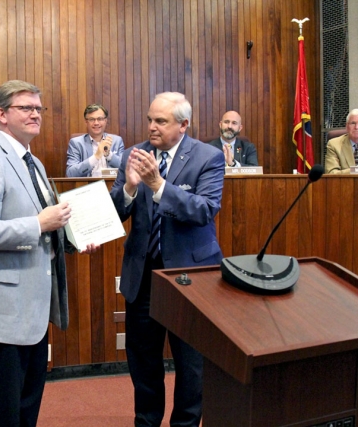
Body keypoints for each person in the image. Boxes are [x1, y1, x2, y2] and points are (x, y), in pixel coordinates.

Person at [0, 80, 98, 426]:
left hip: (32, 308)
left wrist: (74, 237)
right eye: (26, 108)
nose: (35, 114)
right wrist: (38, 223)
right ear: (1, 114)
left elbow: (47, 227)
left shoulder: (31, 161)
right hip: (3, 310)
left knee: (26, 406)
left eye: (38, 108)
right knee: (4, 412)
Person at [110, 92, 225, 426]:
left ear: (183, 124)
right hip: (143, 276)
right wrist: (130, 188)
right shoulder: (134, 154)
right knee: (143, 362)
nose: (152, 127)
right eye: (150, 119)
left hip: (190, 277)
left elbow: (204, 210)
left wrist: (159, 185)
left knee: (191, 366)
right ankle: (146, 422)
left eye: (160, 121)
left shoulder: (208, 157)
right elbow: (115, 212)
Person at [66, 103, 125, 177]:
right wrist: (96, 156)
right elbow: (70, 174)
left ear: (105, 121)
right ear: (86, 122)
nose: (96, 123)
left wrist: (108, 154)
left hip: (112, 186)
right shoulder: (76, 143)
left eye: (100, 119)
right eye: (91, 119)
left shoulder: (117, 141)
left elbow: (125, 168)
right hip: (88, 186)